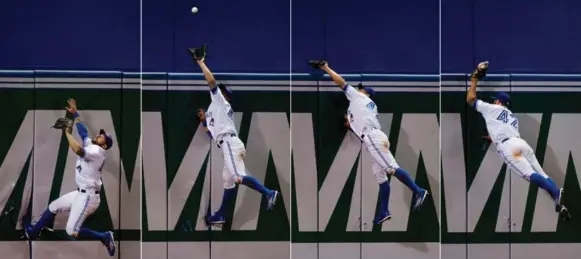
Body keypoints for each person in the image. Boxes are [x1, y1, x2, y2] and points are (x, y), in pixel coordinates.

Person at [24, 98, 117, 256]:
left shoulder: (98, 152)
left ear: (105, 145)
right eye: (101, 134)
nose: (100, 135)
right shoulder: (93, 146)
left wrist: (67, 133)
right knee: (54, 206)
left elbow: (78, 150)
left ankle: (105, 236)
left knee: (71, 231)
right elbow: (83, 133)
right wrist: (75, 114)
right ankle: (34, 232)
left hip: (88, 198)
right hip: (81, 193)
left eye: (103, 137)